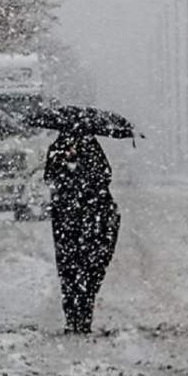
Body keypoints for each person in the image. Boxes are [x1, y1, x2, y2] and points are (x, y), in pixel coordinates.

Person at [44, 131, 120, 334]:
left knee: (90, 268)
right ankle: (72, 317)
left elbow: (103, 178)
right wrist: (65, 163)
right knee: (68, 270)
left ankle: (84, 314)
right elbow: (50, 179)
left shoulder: (92, 150)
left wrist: (80, 170)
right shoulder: (57, 150)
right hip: (66, 221)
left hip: (91, 219)